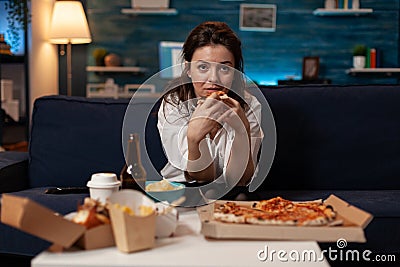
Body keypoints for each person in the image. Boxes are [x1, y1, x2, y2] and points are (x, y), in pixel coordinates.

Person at [157, 21, 263, 201]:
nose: (214, 79)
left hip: (234, 190)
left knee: (240, 198)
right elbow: (201, 177)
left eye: (224, 68)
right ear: (188, 69)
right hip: (183, 188)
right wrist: (194, 137)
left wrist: (241, 130)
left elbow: (240, 179)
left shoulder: (249, 105)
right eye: (203, 67)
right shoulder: (173, 104)